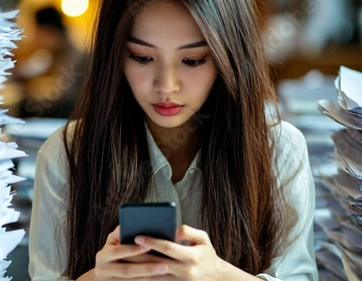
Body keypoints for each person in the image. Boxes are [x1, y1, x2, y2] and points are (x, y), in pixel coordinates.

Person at [28, 0, 318, 280]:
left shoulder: (278, 149)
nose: (166, 85)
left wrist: (220, 277)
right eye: (142, 57)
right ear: (114, 55)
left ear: (229, 57)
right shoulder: (66, 154)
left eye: (192, 60)